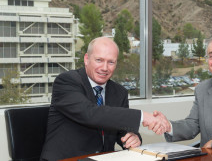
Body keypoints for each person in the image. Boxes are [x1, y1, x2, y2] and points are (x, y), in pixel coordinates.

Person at [40, 37, 168, 161]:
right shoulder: (66, 81)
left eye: (111, 62)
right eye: (99, 60)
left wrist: (132, 137)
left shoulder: (119, 92)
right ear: (86, 59)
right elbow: (90, 113)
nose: (105, 68)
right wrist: (142, 116)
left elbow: (121, 129)